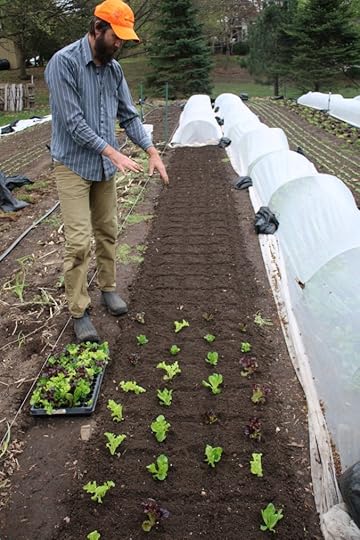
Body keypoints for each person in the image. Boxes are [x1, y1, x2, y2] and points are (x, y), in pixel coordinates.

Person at [45, 0, 169, 343]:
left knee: (108, 229)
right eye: (117, 37)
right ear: (98, 28)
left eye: (125, 40)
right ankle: (79, 311)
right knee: (79, 241)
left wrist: (151, 150)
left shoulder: (114, 70)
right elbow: (72, 122)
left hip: (103, 164)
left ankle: (109, 288)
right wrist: (113, 152)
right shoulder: (64, 63)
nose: (120, 44)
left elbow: (128, 115)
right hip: (72, 164)